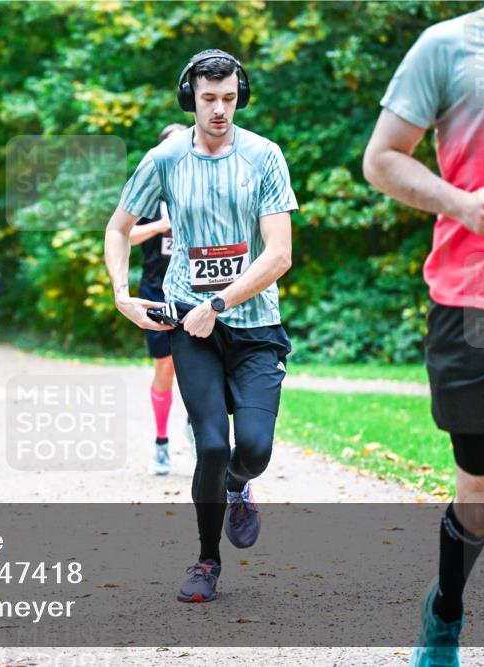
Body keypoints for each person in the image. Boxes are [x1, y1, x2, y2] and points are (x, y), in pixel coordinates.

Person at [362, 3, 484, 664]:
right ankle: (446, 612)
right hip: (479, 305)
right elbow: (382, 159)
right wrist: (462, 204)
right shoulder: (448, 45)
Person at [104, 49, 297, 604]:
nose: (219, 110)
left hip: (254, 324)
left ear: (241, 97)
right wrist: (121, 294)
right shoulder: (165, 158)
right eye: (209, 98)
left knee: (253, 450)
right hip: (190, 325)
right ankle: (207, 560)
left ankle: (239, 485)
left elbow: (279, 254)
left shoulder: (264, 156)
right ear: (190, 97)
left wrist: (219, 301)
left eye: (229, 98)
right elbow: (118, 229)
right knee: (211, 445)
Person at [130, 123, 189, 475]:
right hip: (156, 294)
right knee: (165, 367)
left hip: (196, 292)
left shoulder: (199, 190)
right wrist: (160, 226)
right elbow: (124, 234)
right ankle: (162, 443)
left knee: (202, 365)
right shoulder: (149, 196)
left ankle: (197, 426)